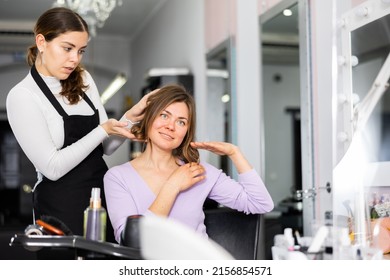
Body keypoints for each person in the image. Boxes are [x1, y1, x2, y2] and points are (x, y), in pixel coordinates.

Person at [6, 7, 153, 252]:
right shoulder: (23, 96)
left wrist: (130, 118)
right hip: (60, 207)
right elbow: (52, 168)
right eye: (67, 48)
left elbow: (105, 147)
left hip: (102, 196)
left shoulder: (83, 79)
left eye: (81, 51)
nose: (75, 59)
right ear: (41, 42)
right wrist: (103, 129)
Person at [103, 84, 274, 244]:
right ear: (148, 119)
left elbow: (260, 203)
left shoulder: (198, 171)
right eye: (164, 115)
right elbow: (132, 241)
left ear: (186, 132)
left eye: (181, 122)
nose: (171, 126)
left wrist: (234, 153)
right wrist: (173, 185)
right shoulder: (117, 177)